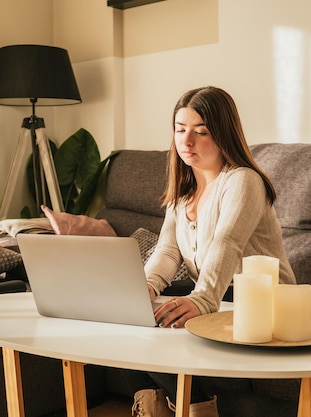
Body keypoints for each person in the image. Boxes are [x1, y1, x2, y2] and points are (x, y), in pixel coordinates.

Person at [126, 86, 296, 417]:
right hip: (218, 291)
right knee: (132, 316)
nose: (186, 141)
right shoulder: (184, 190)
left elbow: (227, 242)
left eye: (200, 132)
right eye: (180, 129)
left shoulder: (243, 181)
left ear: (222, 135)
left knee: (162, 323)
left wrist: (201, 299)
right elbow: (168, 250)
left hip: (263, 300)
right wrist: (143, 287)